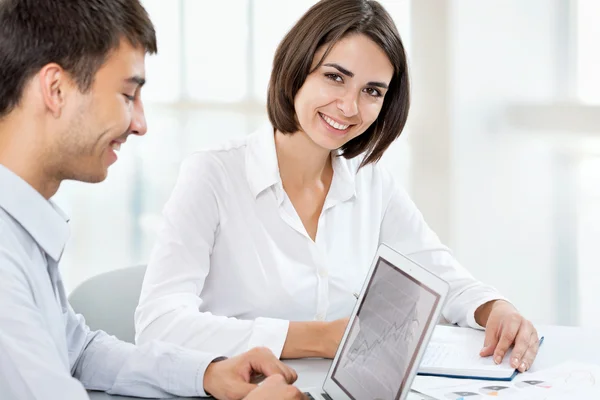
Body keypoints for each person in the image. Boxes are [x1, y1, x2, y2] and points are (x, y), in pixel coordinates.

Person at [135, 0, 540, 373]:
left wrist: (495, 308)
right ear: (296, 71)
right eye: (334, 77)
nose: (349, 107)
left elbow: (440, 276)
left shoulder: (370, 181)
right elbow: (158, 324)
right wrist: (321, 337)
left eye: (372, 91)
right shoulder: (213, 174)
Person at [0, 0, 306, 399]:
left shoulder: (20, 224)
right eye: (128, 95)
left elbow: (77, 351)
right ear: (55, 89)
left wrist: (207, 374)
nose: (140, 124)